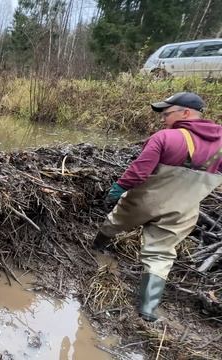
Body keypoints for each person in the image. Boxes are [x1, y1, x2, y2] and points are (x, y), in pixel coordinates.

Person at [92, 92, 222, 322]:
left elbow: (139, 171)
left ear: (186, 113)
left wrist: (118, 189)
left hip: (146, 200)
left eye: (167, 113)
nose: (163, 119)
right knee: (161, 255)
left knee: (115, 222)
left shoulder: (166, 137)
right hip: (183, 210)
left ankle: (96, 248)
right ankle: (148, 309)